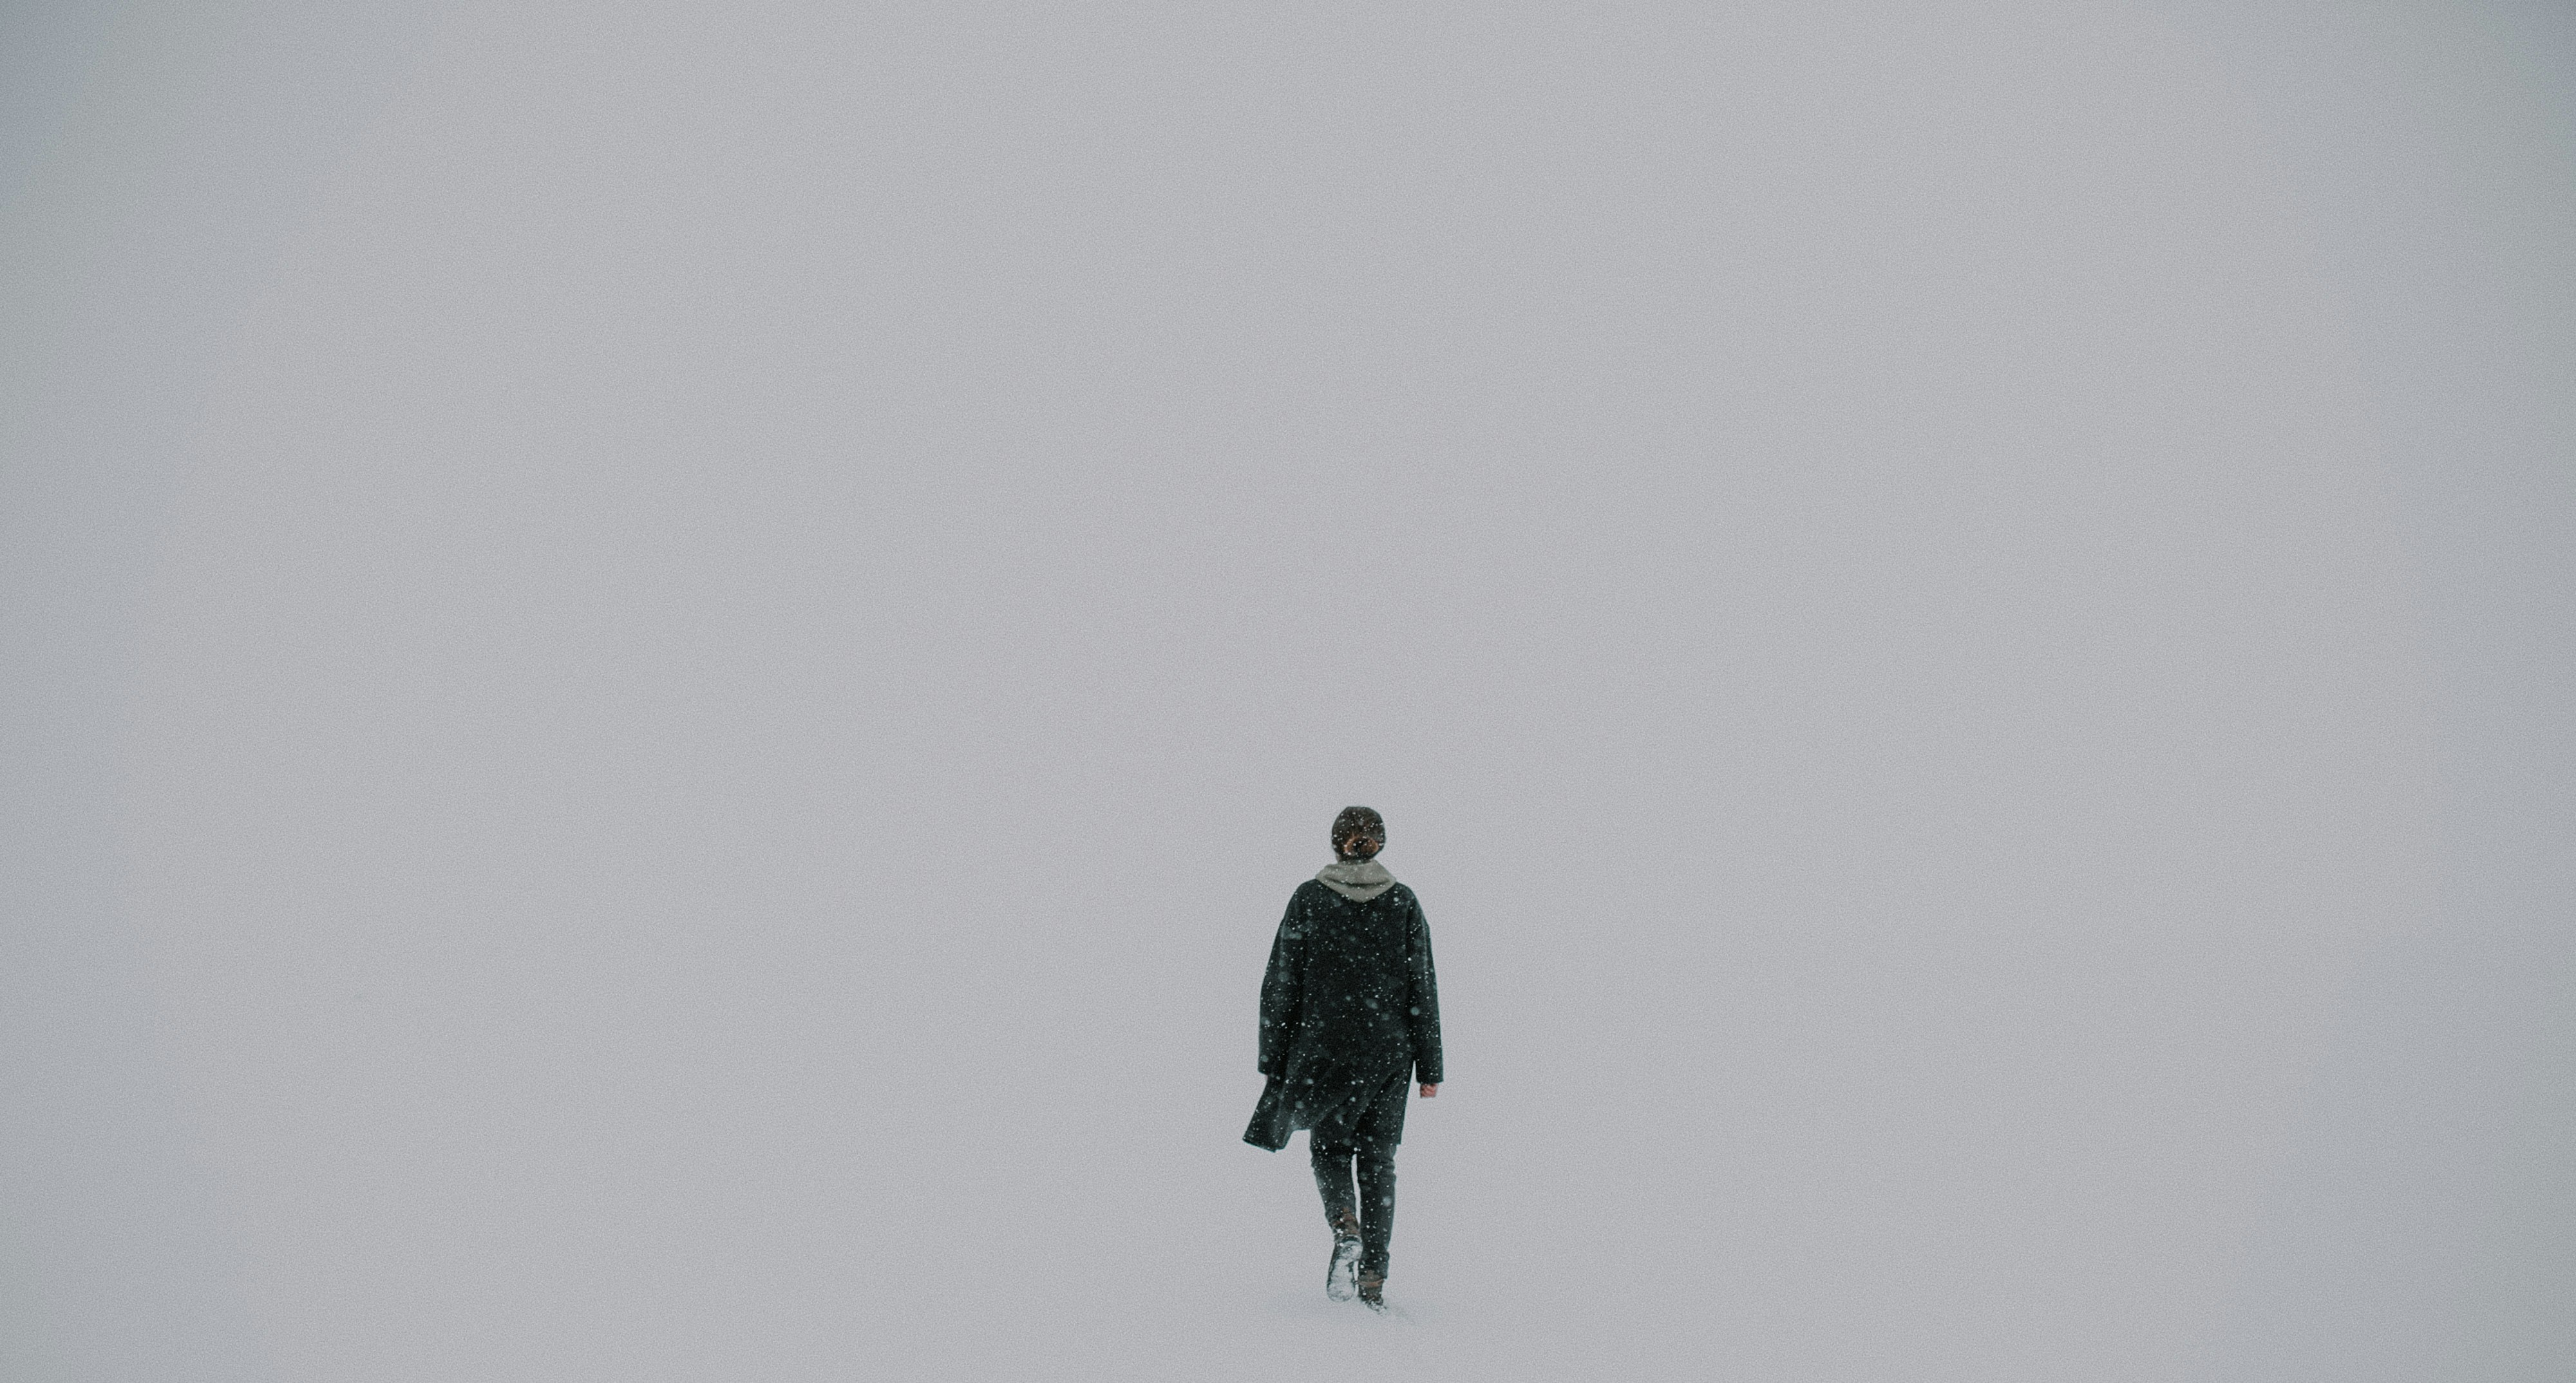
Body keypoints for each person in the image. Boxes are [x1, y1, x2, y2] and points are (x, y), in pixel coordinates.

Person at [1243, 805, 1443, 1311]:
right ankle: (1374, 1275)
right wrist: (1430, 1067)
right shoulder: (1402, 902)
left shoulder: (1310, 899)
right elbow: (1423, 984)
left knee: (1331, 1151)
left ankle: (1344, 1226)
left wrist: (1273, 1057)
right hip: (1388, 1053)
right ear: (1381, 845)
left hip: (1324, 1049)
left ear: (1336, 844)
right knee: (1379, 1161)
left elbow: (1281, 981)